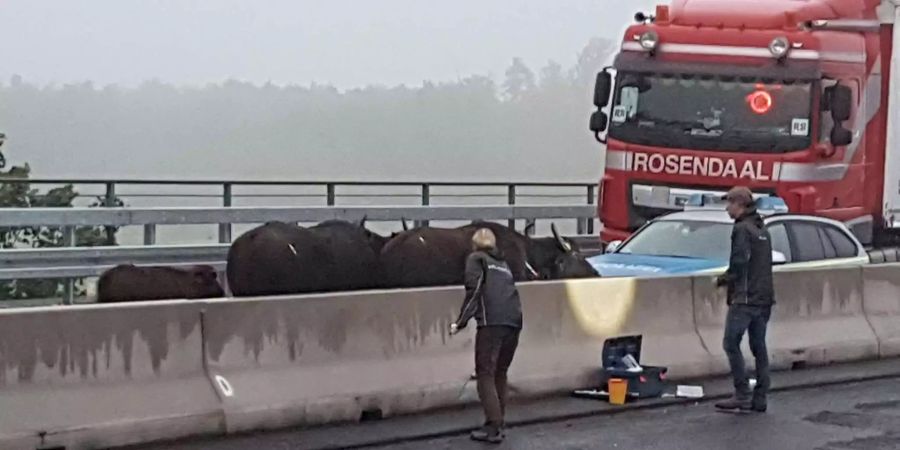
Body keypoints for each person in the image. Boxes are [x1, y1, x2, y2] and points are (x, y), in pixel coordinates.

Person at [450, 228, 523, 443]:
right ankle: (498, 421)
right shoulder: (503, 264)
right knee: (500, 372)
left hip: (492, 323)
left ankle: (493, 426)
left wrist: (460, 322)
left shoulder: (476, 260)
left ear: (474, 244)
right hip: (514, 322)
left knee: (485, 373)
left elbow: (474, 291)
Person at [714, 186, 775, 413]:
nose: (727, 208)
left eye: (729, 203)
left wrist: (723, 280)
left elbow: (739, 263)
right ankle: (760, 397)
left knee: (731, 342)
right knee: (758, 346)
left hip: (746, 299)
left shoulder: (741, 229)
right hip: (765, 298)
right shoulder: (762, 229)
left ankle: (741, 393)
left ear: (739, 204)